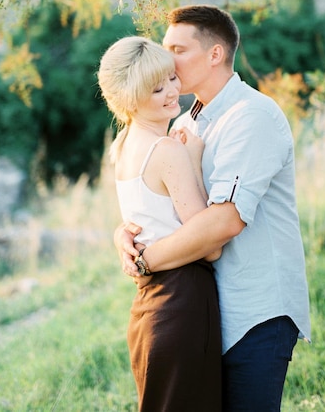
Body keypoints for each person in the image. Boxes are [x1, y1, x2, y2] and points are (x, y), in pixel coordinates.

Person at [118, 5, 311, 412]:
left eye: (178, 49)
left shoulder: (251, 116)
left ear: (214, 54)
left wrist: (145, 259)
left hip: (255, 311)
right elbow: (162, 204)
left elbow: (225, 221)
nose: (167, 59)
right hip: (205, 312)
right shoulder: (184, 121)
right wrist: (125, 235)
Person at [97, 35, 222, 412]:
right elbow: (211, 243)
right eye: (157, 88)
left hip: (148, 310)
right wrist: (194, 159)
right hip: (182, 303)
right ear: (129, 100)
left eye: (170, 77)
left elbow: (140, 221)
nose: (173, 91)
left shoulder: (121, 147)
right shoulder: (168, 150)